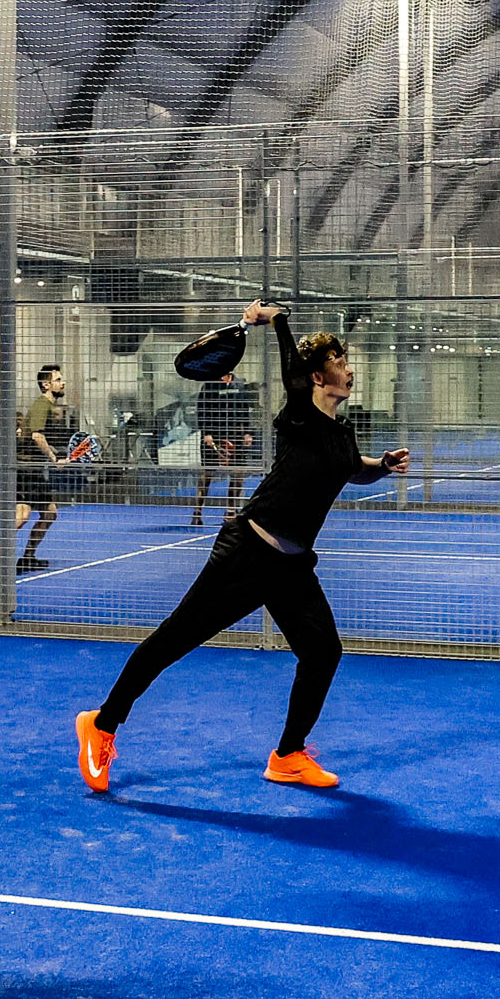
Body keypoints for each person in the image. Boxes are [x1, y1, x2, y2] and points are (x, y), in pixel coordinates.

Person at [76, 300, 408, 792]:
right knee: (175, 639)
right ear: (318, 377)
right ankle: (102, 723)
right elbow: (292, 372)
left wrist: (380, 466)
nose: (349, 368)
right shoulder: (299, 413)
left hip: (292, 568)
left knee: (323, 653)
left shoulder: (339, 433)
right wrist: (275, 321)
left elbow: (351, 469)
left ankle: (288, 754)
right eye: (339, 362)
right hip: (247, 555)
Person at [0, 365, 72, 575]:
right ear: (46, 385)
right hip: (23, 468)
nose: (63, 383)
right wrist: (54, 459)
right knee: (22, 515)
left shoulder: (47, 407)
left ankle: (27, 558)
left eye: (62, 379)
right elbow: (36, 436)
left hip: (34, 469)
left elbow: (38, 439)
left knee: (49, 513)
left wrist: (57, 456)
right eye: (58, 379)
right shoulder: (42, 405)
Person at [192, 370, 258, 526]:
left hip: (235, 434)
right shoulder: (209, 385)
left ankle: (230, 510)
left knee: (237, 474)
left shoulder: (239, 384)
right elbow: (202, 410)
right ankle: (197, 511)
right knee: (207, 475)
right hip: (214, 435)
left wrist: (247, 432)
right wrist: (207, 433)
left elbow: (244, 410)